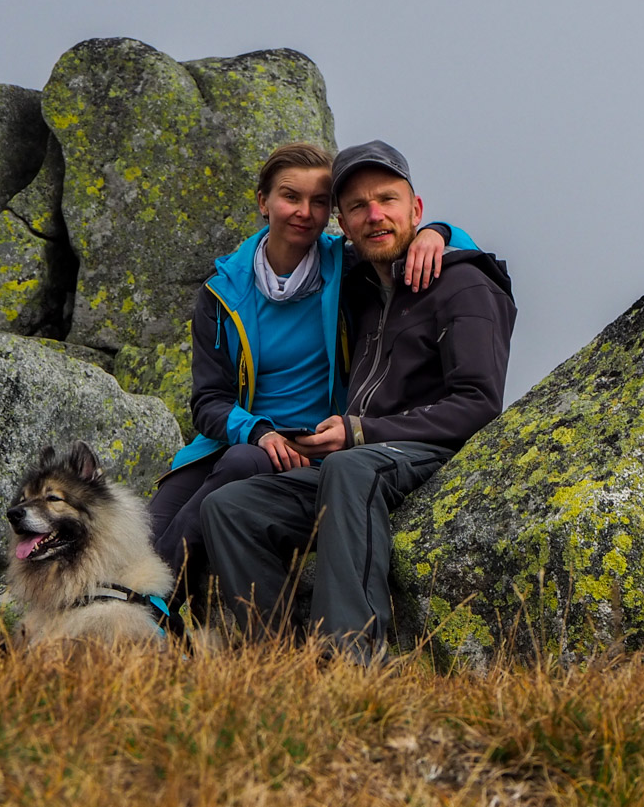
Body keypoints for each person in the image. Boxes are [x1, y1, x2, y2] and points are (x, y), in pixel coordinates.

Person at [199, 140, 517, 660]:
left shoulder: (464, 285)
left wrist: (361, 432)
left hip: (433, 452)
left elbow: (480, 403)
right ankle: (269, 665)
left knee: (350, 469)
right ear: (342, 226)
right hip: (360, 456)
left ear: (415, 209)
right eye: (357, 207)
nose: (375, 216)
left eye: (388, 201)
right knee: (230, 506)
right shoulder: (359, 286)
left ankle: (350, 658)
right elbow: (268, 268)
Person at [146, 142, 468, 599]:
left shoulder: (349, 268)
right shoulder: (222, 291)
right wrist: (256, 430)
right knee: (153, 521)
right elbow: (208, 401)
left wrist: (437, 232)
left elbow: (456, 248)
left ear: (333, 215)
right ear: (263, 202)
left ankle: (155, 605)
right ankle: (108, 621)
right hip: (238, 438)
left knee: (229, 478)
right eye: (290, 196)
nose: (304, 211)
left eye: (319, 201)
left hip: (313, 446)